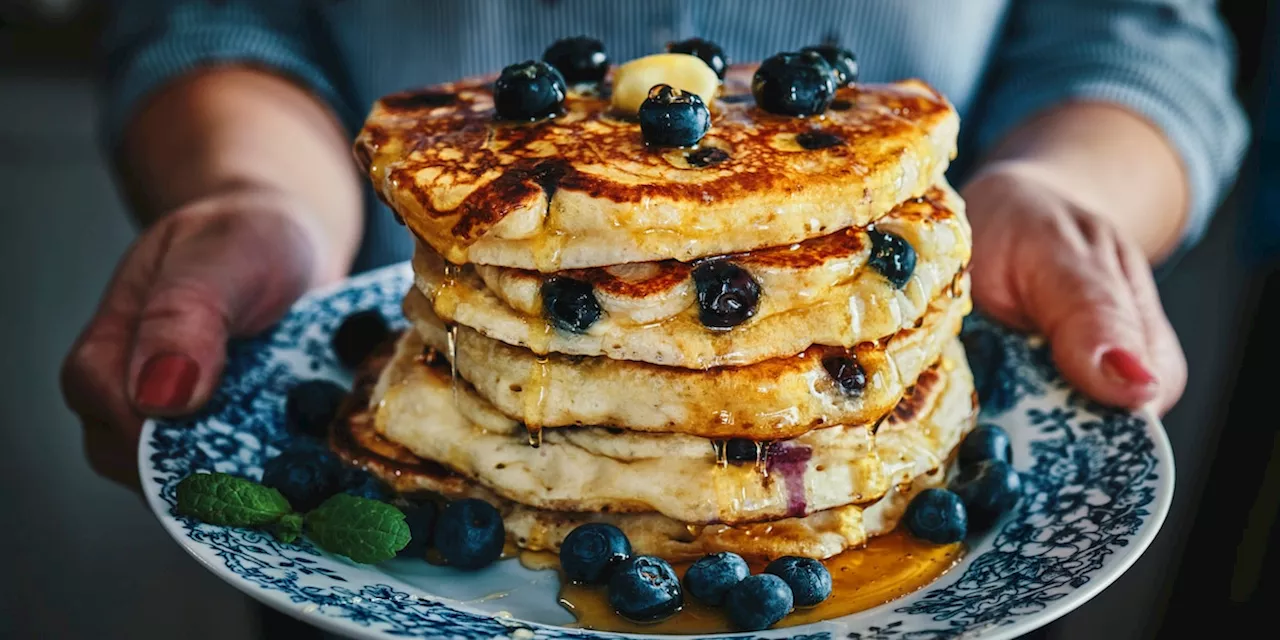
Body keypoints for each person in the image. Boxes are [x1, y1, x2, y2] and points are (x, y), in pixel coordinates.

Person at [63, 0, 1247, 490]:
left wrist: (1051, 187)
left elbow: (1133, 32)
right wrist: (256, 192)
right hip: (434, 450)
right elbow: (207, 14)